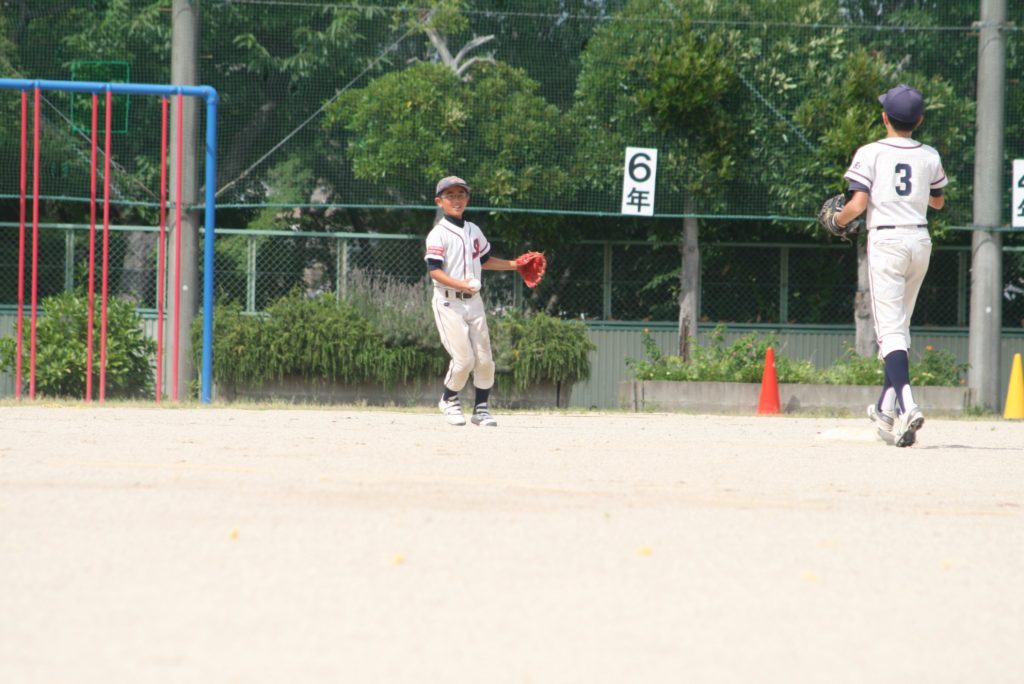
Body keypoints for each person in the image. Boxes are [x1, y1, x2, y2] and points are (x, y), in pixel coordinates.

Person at [833, 84, 948, 447]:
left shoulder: (871, 152)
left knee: (891, 332)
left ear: (884, 117)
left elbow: (857, 204)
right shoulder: (929, 155)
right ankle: (885, 409)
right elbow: (938, 202)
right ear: (919, 120)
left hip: (887, 242)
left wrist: (837, 220)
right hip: (920, 241)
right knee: (899, 327)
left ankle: (908, 405)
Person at [424, 176, 519, 427]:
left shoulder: (473, 230)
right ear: (439, 201)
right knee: (464, 359)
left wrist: (516, 265)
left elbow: (485, 260)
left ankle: (481, 409)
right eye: (450, 195)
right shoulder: (438, 234)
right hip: (448, 303)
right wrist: (462, 285)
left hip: (474, 302)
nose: (456, 200)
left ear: (467, 199)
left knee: (485, 359)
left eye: (461, 194)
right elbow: (435, 271)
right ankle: (449, 399)